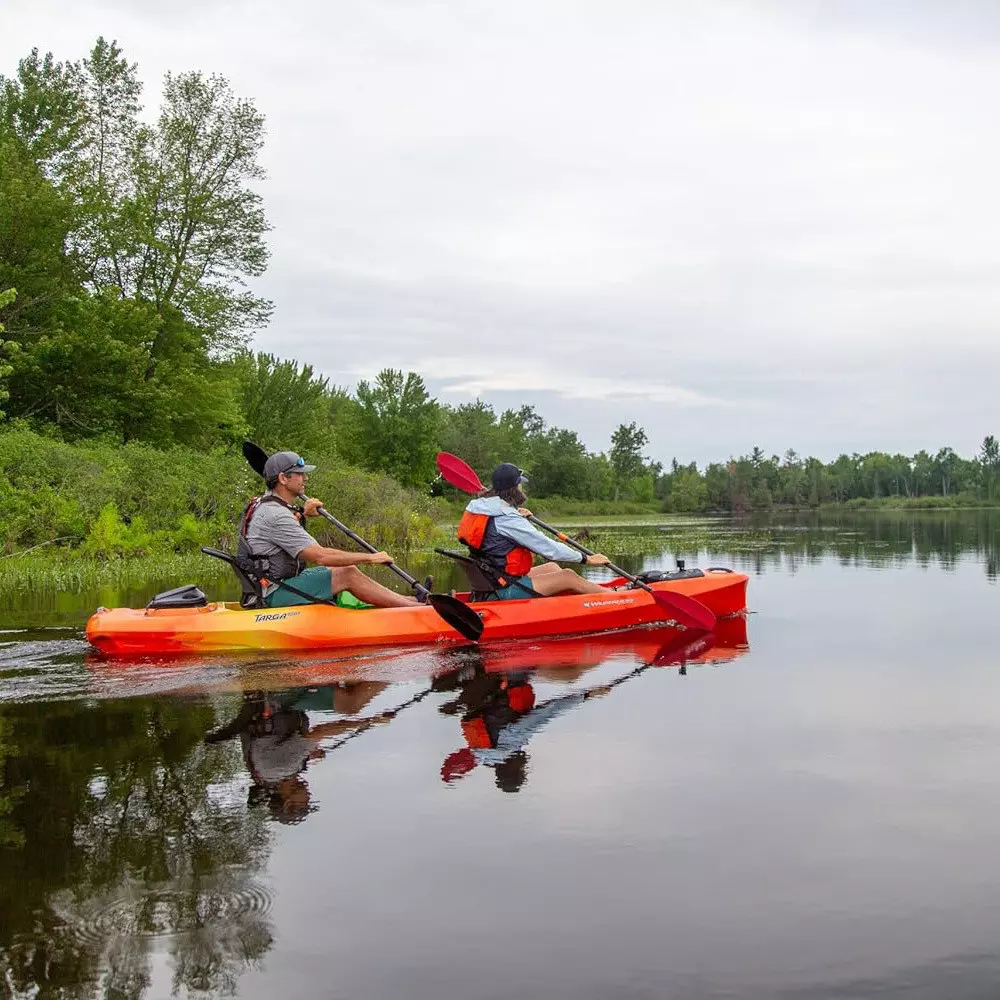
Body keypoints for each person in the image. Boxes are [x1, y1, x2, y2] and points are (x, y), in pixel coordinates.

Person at [241, 450, 420, 609]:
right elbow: (321, 556)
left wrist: (302, 513)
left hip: (268, 586)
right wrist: (371, 558)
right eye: (300, 474)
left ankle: (412, 600)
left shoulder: (262, 504)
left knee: (339, 569)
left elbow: (276, 533)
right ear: (283, 478)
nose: (306, 478)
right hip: (274, 592)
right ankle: (418, 609)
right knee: (347, 573)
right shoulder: (276, 515)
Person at [457, 462, 612, 599]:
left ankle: (571, 602)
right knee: (568, 576)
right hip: (502, 589)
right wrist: (586, 558)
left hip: (492, 580)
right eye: (520, 484)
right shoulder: (508, 519)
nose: (522, 487)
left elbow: (500, 525)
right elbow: (548, 548)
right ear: (514, 488)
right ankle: (614, 596)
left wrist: (516, 513)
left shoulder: (480, 507)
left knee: (552, 568)